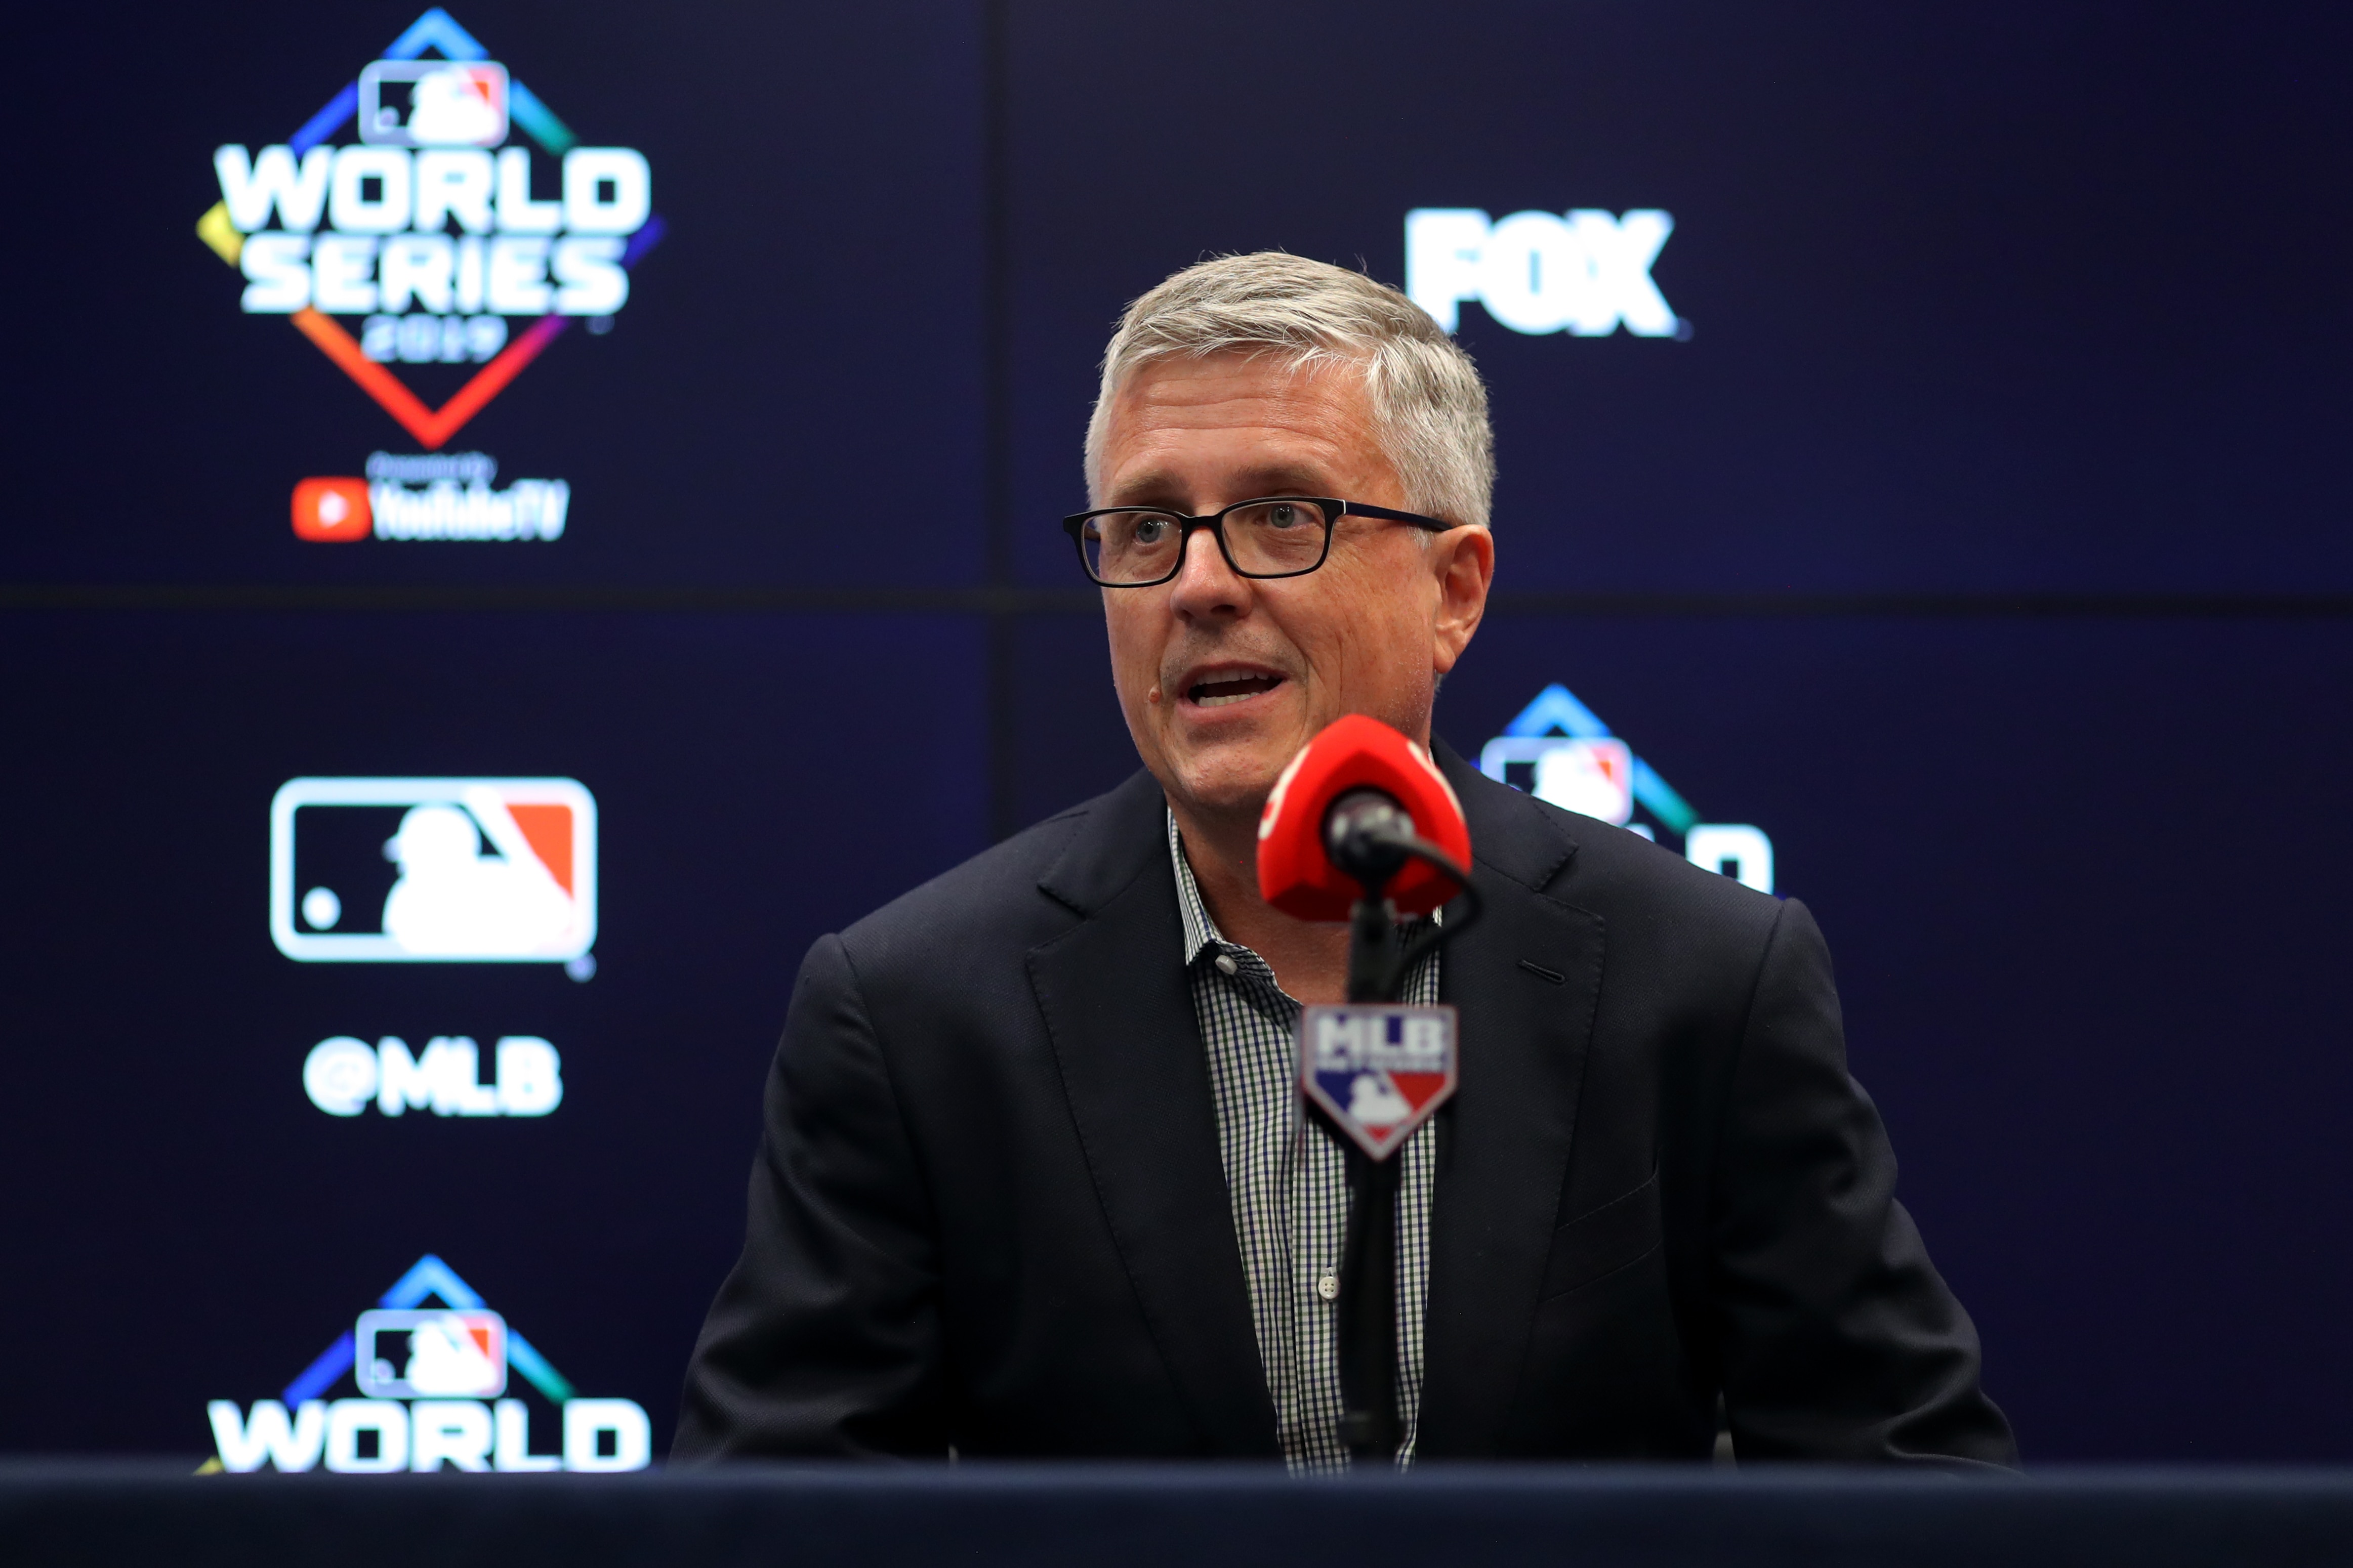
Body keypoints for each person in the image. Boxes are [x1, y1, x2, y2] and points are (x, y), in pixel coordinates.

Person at [674, 253, 2016, 1469]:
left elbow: (1904, 1479)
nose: (1196, 584)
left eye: (1277, 516)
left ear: (1455, 588)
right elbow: (779, 1509)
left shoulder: (1703, 978)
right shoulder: (915, 1010)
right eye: (1144, 527)